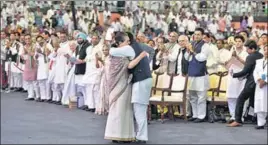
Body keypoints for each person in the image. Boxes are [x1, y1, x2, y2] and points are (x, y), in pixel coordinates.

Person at [104, 32, 138, 143]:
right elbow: (132, 55)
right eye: (126, 41)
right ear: (119, 43)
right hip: (121, 83)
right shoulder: (127, 50)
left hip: (118, 84)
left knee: (119, 109)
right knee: (121, 109)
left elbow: (112, 51)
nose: (129, 43)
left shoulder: (114, 52)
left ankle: (115, 134)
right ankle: (122, 135)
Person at [228, 40, 263, 127]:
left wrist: (234, 75)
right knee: (255, 101)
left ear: (253, 49)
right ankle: (256, 119)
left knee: (241, 99)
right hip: (259, 82)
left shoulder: (250, 57)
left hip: (251, 82)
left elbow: (245, 71)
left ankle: (238, 120)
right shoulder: (261, 55)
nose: (247, 51)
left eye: (247, 49)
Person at [127, 32, 153, 143]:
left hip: (142, 80)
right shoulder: (136, 47)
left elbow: (130, 65)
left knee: (139, 110)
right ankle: (139, 135)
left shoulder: (133, 48)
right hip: (143, 79)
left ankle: (141, 137)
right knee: (138, 110)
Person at [185, 28, 210, 123]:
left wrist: (193, 51)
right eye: (195, 34)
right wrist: (188, 51)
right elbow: (187, 58)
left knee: (201, 96)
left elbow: (202, 58)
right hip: (191, 72)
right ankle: (195, 114)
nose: (196, 36)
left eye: (199, 34)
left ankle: (201, 116)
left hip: (201, 74)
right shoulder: (192, 43)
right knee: (192, 96)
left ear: (202, 35)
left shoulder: (205, 45)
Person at [226, 35, 248, 124]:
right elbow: (227, 63)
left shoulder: (246, 52)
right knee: (231, 96)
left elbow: (247, 64)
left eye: (239, 41)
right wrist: (230, 58)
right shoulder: (231, 50)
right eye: (236, 41)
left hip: (242, 76)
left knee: (241, 96)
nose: (238, 43)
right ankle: (233, 116)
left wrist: (237, 57)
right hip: (232, 75)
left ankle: (240, 116)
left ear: (243, 43)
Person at [253, 45, 267, 129]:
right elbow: (255, 72)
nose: (266, 51)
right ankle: (260, 123)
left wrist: (265, 81)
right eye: (265, 50)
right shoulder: (258, 61)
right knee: (259, 103)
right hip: (259, 85)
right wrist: (258, 79)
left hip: (266, 84)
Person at [22, 34, 39, 100]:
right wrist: (23, 55)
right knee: (28, 81)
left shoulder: (35, 46)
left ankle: (37, 96)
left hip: (34, 65)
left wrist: (28, 52)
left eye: (29, 38)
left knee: (35, 81)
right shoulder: (23, 47)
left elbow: (35, 55)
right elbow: (23, 56)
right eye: (26, 39)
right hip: (27, 65)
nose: (27, 40)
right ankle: (30, 95)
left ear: (31, 39)